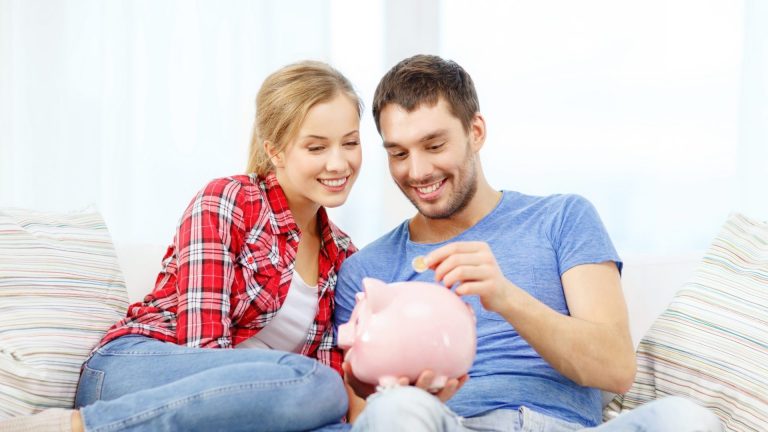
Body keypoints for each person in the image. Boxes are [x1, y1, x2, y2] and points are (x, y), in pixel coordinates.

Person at [332, 54, 723, 431]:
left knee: (687, 419)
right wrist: (413, 398)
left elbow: (616, 369)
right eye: (399, 154)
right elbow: (367, 418)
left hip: (564, 425)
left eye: (434, 146)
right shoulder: (367, 271)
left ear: (475, 132)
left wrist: (505, 297)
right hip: (453, 424)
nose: (417, 171)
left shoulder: (563, 218)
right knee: (398, 408)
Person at [0, 60, 362, 432]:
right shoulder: (229, 201)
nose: (338, 163)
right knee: (318, 384)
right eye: (316, 147)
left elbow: (325, 386)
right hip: (138, 371)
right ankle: (73, 427)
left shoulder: (344, 257)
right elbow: (202, 345)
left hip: (245, 402)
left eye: (350, 143)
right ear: (276, 151)